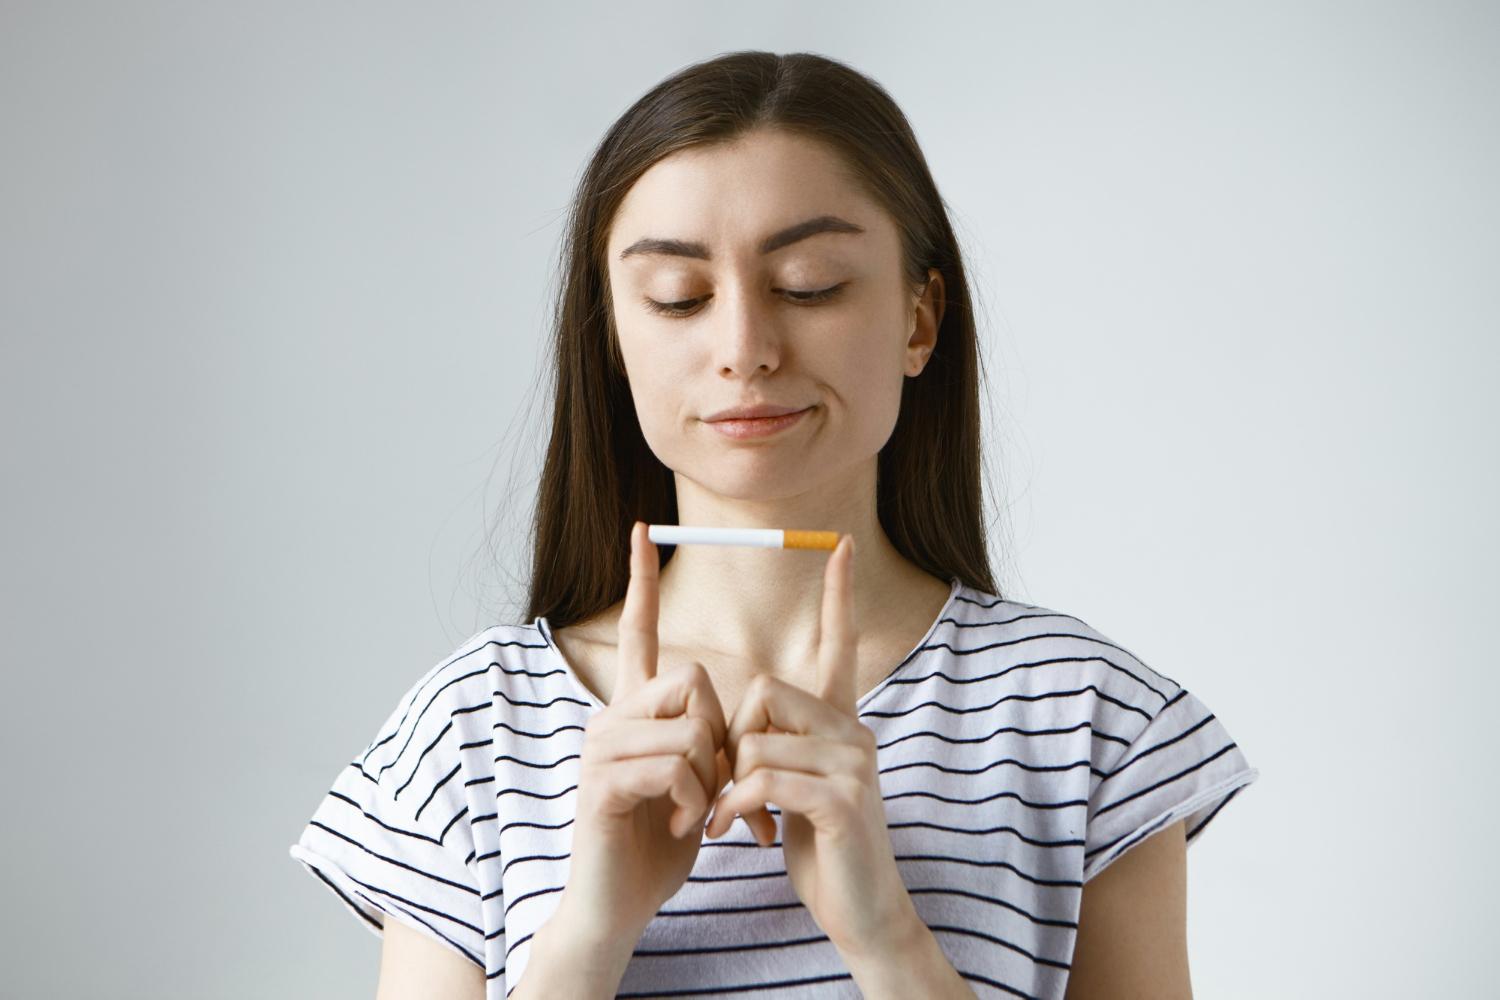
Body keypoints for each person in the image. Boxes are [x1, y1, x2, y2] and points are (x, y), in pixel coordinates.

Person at [289, 50, 1258, 1000]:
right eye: (679, 297)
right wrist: (588, 933)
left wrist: (887, 935)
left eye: (807, 284)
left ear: (921, 320)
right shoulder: (469, 731)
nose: (744, 348)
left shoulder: (1088, 718)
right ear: (615, 337)